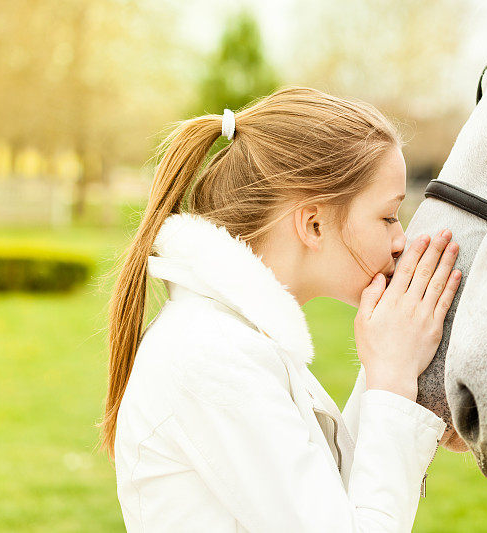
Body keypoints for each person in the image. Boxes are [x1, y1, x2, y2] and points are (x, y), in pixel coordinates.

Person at [100, 86, 462, 532]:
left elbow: (341, 501)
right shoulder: (212, 356)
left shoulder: (237, 340)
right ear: (313, 223)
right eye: (388, 216)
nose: (400, 240)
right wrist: (390, 380)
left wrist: (396, 367)